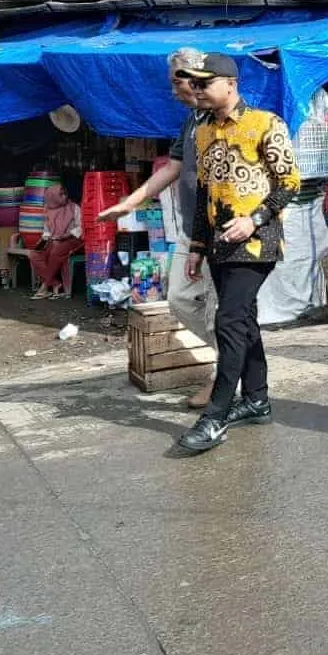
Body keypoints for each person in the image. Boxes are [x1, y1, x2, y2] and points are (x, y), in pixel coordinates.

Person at [176, 54, 301, 454]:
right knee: (243, 319)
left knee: (228, 319)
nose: (197, 91)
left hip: (255, 241)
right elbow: (202, 198)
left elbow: (290, 182)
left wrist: (255, 218)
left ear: (230, 83)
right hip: (217, 243)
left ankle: (216, 416)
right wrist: (196, 246)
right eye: (194, 85)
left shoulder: (265, 123)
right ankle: (257, 398)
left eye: (204, 84)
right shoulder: (202, 132)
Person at [99, 48, 217, 408]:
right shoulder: (192, 120)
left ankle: (227, 374)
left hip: (220, 228)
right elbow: (172, 168)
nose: (172, 91)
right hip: (192, 228)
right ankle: (232, 355)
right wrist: (130, 203)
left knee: (218, 307)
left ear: (193, 77)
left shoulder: (224, 116)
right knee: (180, 298)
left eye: (175, 81)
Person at [28, 184, 83, 300]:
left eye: (64, 194)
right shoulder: (48, 210)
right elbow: (46, 231)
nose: (64, 197)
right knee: (33, 255)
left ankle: (44, 287)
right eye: (61, 195)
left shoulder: (74, 207)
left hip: (73, 240)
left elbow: (81, 227)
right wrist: (44, 240)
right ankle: (55, 283)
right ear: (53, 198)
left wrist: (67, 235)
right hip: (55, 241)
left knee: (55, 252)